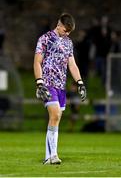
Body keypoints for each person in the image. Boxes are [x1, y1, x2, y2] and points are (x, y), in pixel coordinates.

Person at [33, 13, 86, 165]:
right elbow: (37, 62)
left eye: (70, 32)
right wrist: (39, 82)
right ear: (59, 24)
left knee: (56, 118)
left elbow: (72, 65)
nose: (67, 33)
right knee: (55, 114)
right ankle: (52, 156)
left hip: (61, 85)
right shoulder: (45, 39)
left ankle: (48, 157)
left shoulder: (68, 42)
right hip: (47, 83)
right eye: (65, 30)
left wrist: (80, 82)